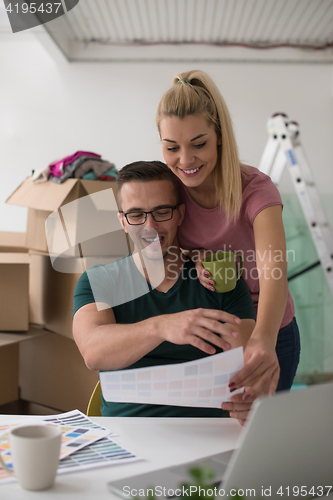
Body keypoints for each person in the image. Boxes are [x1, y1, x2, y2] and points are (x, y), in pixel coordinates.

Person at [156, 70, 301, 407]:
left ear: (219, 136)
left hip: (269, 330)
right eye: (171, 147)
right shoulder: (169, 191)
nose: (186, 160)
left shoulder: (255, 188)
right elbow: (160, 254)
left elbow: (274, 272)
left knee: (255, 441)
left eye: (199, 144)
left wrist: (262, 340)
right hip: (212, 332)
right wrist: (193, 260)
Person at [73, 160, 256, 423]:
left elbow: (246, 361)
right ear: (123, 222)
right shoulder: (99, 281)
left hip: (204, 439)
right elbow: (93, 352)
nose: (150, 226)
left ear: (180, 214)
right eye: (136, 214)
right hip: (126, 438)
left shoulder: (218, 279)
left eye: (161, 212)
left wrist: (251, 396)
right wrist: (162, 327)